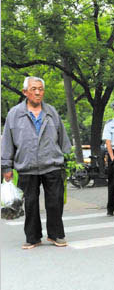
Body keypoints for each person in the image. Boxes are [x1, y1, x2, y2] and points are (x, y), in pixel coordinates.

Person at [1, 76, 71, 249]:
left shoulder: (51, 112)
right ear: (25, 92)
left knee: (55, 202)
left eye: (40, 89)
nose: (38, 92)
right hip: (26, 166)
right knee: (30, 203)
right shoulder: (14, 114)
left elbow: (63, 137)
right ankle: (33, 237)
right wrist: (6, 166)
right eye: (34, 89)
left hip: (52, 164)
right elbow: (7, 142)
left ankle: (56, 234)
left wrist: (66, 158)